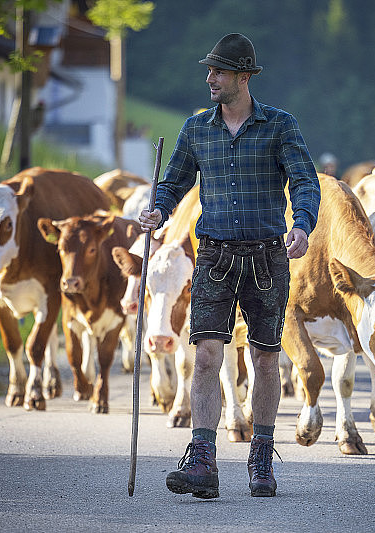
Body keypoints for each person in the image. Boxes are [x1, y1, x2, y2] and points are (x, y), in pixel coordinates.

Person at [138, 32, 320, 499]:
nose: (209, 78)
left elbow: (304, 181)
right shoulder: (196, 128)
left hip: (266, 256)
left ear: (244, 76)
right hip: (215, 255)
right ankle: (202, 461)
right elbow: (172, 182)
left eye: (218, 71)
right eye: (209, 70)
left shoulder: (280, 125)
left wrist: (301, 224)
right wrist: (158, 208)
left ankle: (261, 457)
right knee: (206, 357)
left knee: (264, 356)